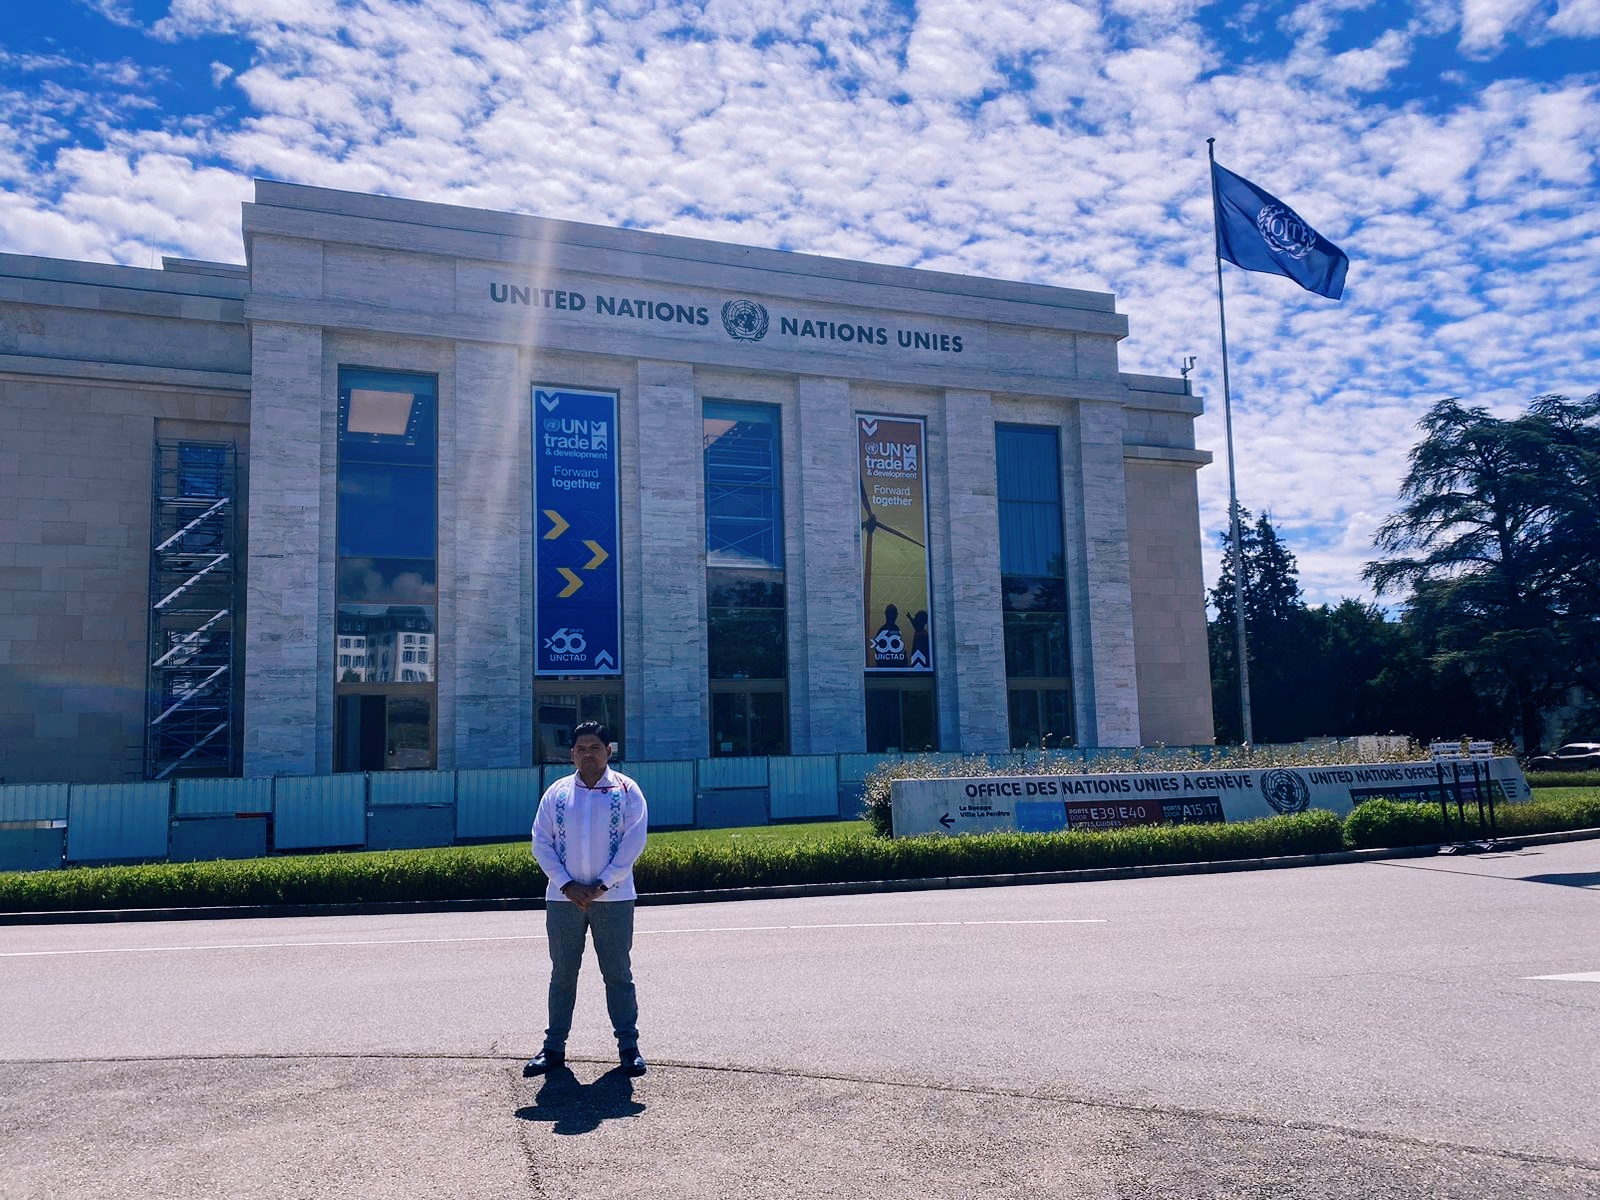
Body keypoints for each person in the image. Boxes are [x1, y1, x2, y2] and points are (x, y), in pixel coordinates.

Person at [524, 721, 649, 1078]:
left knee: (617, 973)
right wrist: (566, 884)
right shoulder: (558, 793)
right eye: (581, 748)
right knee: (562, 974)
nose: (588, 754)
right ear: (572, 754)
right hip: (563, 899)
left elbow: (633, 842)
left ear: (609, 751)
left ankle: (628, 1047)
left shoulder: (626, 790)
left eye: (595, 747)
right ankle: (553, 1048)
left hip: (614, 898)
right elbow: (541, 841)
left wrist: (602, 884)